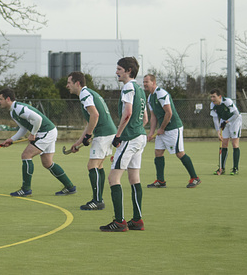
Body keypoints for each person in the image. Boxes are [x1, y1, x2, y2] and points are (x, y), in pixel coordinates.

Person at [0, 88, 76, 197]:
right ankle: (70, 187)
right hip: (49, 131)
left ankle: (26, 189)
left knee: (26, 155)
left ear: (8, 99)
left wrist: (33, 133)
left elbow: (38, 119)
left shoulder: (19, 108)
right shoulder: (12, 112)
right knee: (47, 162)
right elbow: (23, 128)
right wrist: (12, 139)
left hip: (46, 132)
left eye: (0, 99)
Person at [100, 57, 148, 232]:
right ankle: (137, 220)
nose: (116, 72)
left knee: (113, 178)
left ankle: (119, 222)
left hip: (129, 138)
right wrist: (136, 131)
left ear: (128, 70)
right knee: (134, 178)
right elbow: (146, 118)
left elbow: (127, 113)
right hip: (140, 137)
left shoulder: (128, 87)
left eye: (119, 69)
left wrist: (118, 135)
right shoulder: (140, 89)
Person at [66, 71, 116, 210]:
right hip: (108, 132)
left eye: (69, 83)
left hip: (103, 134)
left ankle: (97, 200)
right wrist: (79, 141)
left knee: (92, 165)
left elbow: (95, 114)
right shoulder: (90, 93)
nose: (67, 86)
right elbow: (90, 122)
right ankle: (98, 200)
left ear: (77, 83)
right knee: (98, 166)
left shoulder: (84, 94)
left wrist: (88, 136)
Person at [143, 74, 201, 188]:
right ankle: (160, 181)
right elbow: (153, 117)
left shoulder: (161, 93)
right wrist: (151, 132)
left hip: (173, 128)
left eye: (146, 82)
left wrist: (162, 128)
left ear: (153, 82)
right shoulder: (150, 97)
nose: (144, 84)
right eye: (144, 82)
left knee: (179, 153)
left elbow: (169, 113)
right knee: (158, 153)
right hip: (162, 129)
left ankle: (195, 178)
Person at [210, 88, 243, 175]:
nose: (212, 99)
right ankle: (221, 168)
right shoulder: (212, 105)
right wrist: (218, 131)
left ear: (219, 96)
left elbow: (236, 114)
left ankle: (235, 168)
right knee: (224, 144)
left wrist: (227, 121)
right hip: (224, 121)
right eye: (211, 97)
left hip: (235, 121)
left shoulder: (227, 101)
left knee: (235, 144)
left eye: (214, 97)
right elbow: (215, 118)